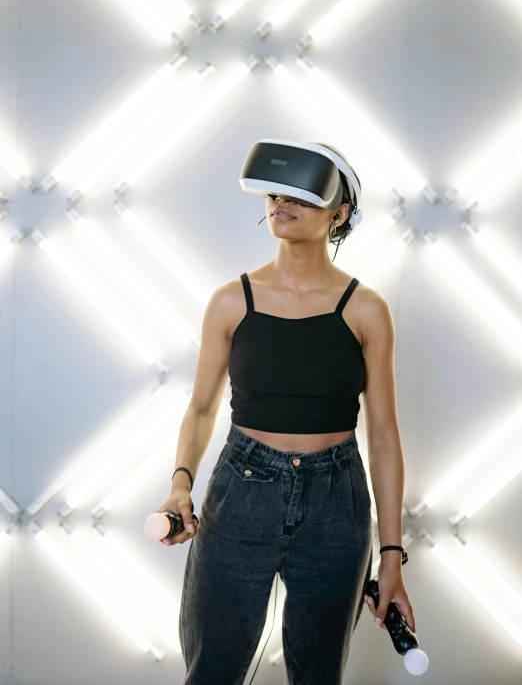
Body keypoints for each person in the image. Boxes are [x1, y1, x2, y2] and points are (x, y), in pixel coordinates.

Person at [155, 141, 415, 684]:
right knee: (213, 669)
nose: (281, 202)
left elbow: (385, 437)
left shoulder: (367, 310)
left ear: (339, 214)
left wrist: (391, 558)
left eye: (301, 195)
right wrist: (181, 485)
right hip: (241, 491)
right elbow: (201, 409)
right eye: (275, 192)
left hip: (336, 501)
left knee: (319, 674)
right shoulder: (232, 300)